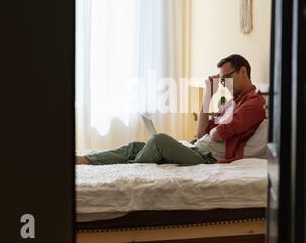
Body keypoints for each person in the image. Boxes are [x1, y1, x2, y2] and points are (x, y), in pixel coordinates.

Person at [76, 54, 266, 166]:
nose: (224, 84)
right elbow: (202, 133)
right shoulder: (231, 103)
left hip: (206, 158)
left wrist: (215, 131)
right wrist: (208, 94)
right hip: (197, 148)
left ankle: (132, 167)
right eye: (222, 80)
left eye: (226, 78)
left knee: (158, 141)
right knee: (135, 146)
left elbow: (221, 133)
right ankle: (86, 160)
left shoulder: (254, 103)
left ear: (243, 72)